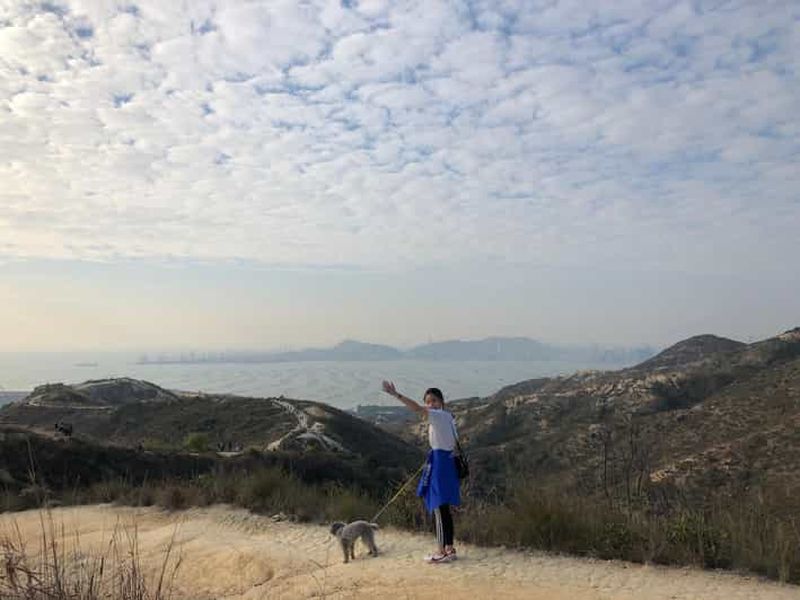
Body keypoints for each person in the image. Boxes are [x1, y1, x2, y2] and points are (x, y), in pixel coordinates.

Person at [382, 380, 460, 563]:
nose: (430, 404)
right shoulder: (448, 416)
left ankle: (441, 551)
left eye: (433, 400)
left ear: (440, 401)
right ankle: (449, 548)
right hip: (447, 462)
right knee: (445, 509)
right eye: (428, 401)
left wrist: (396, 395)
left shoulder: (437, 416)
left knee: (439, 508)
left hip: (441, 463)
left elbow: (416, 409)